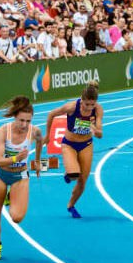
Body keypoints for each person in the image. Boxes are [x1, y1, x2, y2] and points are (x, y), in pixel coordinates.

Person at [0, 96, 44, 260]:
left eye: (28, 121)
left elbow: (40, 141)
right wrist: (15, 158)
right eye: (21, 120)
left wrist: (38, 161)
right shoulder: (3, 132)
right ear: (15, 117)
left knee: (17, 218)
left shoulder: (35, 131)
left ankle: (10, 195)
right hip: (0, 175)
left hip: (20, 176)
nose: (24, 125)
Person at [44, 81, 103, 219]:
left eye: (92, 104)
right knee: (74, 175)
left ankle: (71, 206)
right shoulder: (71, 107)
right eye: (86, 104)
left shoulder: (98, 110)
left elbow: (100, 134)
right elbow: (51, 114)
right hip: (69, 144)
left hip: (86, 144)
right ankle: (69, 173)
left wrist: (94, 129)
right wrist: (48, 135)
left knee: (83, 181)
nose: (89, 107)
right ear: (81, 100)